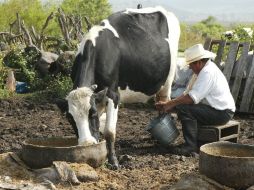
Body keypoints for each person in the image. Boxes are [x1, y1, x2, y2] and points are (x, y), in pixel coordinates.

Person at [155, 44, 236, 156]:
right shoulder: (202, 71)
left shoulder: (207, 72)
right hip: (216, 109)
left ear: (198, 62)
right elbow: (186, 94)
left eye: (191, 64)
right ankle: (195, 142)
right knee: (182, 106)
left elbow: (191, 99)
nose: (189, 67)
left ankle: (190, 146)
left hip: (222, 113)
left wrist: (171, 104)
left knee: (184, 109)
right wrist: (169, 104)